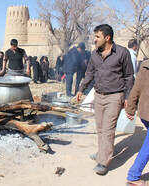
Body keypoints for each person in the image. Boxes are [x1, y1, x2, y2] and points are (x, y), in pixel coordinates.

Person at [76, 24, 134, 175]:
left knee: (108, 129)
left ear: (107, 38)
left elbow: (129, 77)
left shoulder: (122, 52)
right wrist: (81, 89)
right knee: (101, 128)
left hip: (115, 96)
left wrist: (128, 98)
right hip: (99, 95)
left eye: (97, 37)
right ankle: (103, 151)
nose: (94, 39)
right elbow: (90, 73)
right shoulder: (95, 54)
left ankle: (103, 162)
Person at [125, 59, 149, 186]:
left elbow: (137, 87)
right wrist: (130, 108)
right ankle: (133, 176)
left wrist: (131, 108)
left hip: (145, 112)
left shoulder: (146, 64)